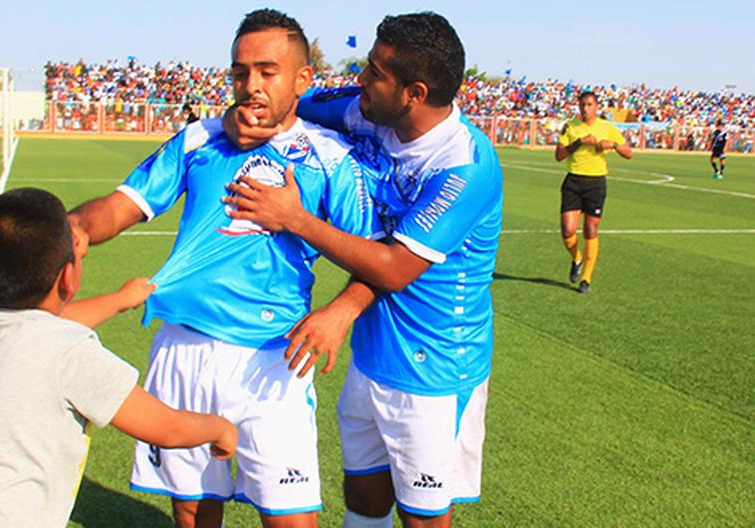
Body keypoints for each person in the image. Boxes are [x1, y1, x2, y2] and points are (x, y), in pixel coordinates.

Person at [68, 9, 376, 528]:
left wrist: (341, 310)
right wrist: (71, 228)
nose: (250, 86)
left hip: (273, 358)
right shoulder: (198, 140)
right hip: (183, 350)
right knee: (191, 512)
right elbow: (120, 207)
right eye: (240, 72)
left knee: (291, 518)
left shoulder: (331, 160)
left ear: (302, 79)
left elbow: (373, 256)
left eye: (267, 71)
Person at [222, 12, 502, 528]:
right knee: (365, 497)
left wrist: (296, 219)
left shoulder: (464, 167)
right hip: (371, 354)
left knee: (423, 516)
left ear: (414, 93)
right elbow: (282, 103)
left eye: (375, 72)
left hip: (433, 370)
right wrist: (239, 117)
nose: (361, 81)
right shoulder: (365, 112)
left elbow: (396, 267)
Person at [0, 188, 237, 527]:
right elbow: (166, 427)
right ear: (68, 277)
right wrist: (219, 429)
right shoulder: (70, 354)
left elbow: (47, 323)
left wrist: (118, 299)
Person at [555, 91, 632, 293]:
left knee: (590, 229)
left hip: (596, 183)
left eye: (589, 105)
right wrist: (581, 142)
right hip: (573, 180)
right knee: (567, 230)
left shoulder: (607, 128)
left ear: (597, 107)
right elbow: (559, 155)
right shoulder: (570, 126)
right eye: (582, 105)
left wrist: (613, 145)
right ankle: (577, 258)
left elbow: (628, 153)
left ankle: (586, 280)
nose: (585, 108)